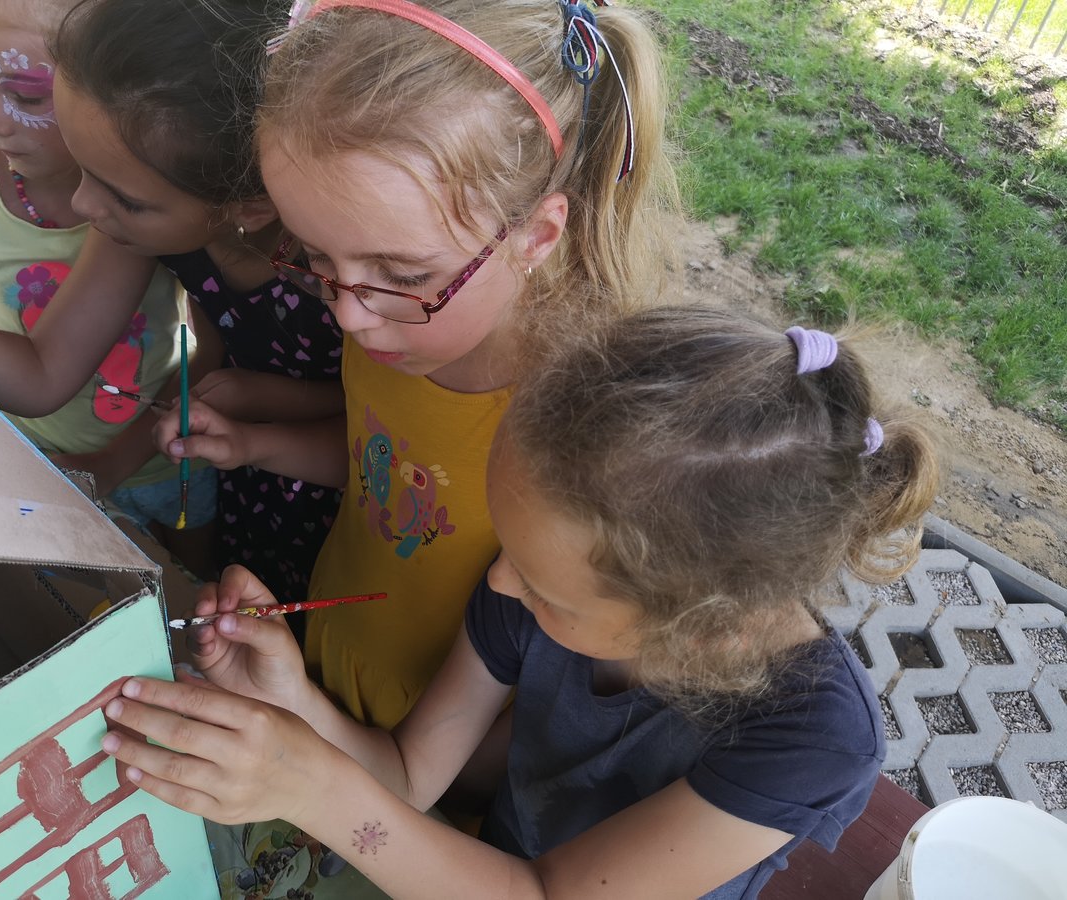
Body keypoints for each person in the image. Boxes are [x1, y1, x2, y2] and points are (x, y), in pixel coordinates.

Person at [100, 306, 941, 899]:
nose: (499, 585)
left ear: (697, 627)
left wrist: (311, 788)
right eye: (512, 556)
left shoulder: (814, 736)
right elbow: (409, 778)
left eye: (539, 587)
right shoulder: (540, 578)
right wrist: (294, 702)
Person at [158, 0, 681, 732]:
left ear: (535, 236)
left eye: (401, 274)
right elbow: (386, 466)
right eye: (315, 255)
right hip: (333, 647)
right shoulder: (392, 320)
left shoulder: (573, 422)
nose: (346, 315)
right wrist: (255, 445)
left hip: (441, 729)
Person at [0, 0, 220, 571]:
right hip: (37, 455)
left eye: (28, 96)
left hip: (161, 455)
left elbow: (51, 376)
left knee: (192, 577)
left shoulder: (130, 203)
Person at [49, 0, 345, 606]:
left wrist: (262, 396)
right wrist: (111, 462)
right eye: (79, 167)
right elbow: (213, 346)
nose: (82, 205)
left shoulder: (339, 275)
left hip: (342, 487)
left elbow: (382, 418)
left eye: (127, 200)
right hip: (246, 474)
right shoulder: (190, 237)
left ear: (250, 207)